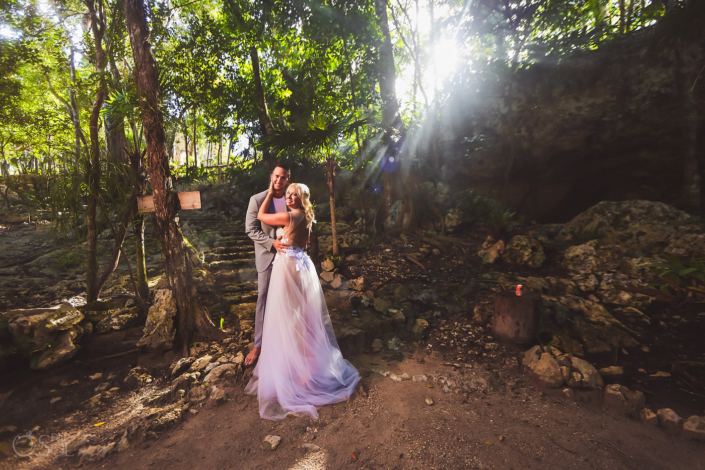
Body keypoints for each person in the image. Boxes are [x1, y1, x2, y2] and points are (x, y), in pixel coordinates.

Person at [244, 181, 360, 420]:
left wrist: (268, 192)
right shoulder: (304, 216)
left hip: (289, 268)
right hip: (300, 263)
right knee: (301, 316)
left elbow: (263, 216)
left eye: (293, 194)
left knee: (291, 318)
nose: (288, 197)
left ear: (301, 198)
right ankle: (303, 368)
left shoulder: (293, 216)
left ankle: (301, 373)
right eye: (287, 194)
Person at [244, 164, 292, 367]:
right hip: (267, 257)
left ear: (287, 179)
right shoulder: (257, 199)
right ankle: (258, 345)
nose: (279, 180)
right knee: (263, 301)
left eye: (283, 177)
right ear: (271, 176)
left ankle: (287, 341)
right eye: (276, 176)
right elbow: (250, 229)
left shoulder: (292, 199)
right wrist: (271, 243)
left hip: (290, 258)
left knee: (289, 299)